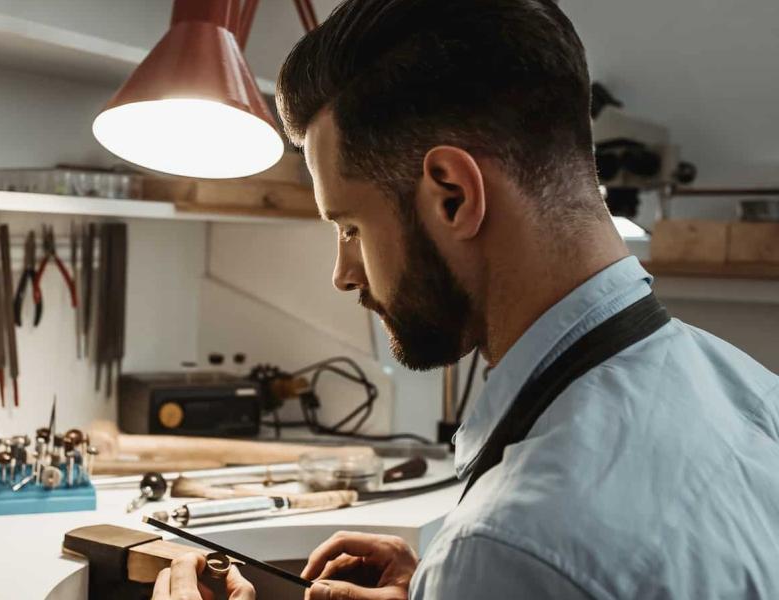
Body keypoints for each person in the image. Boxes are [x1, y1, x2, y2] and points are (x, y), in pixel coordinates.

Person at [152, 0, 779, 598]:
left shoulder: (512, 545)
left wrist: (476, 576)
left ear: (453, 195)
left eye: (350, 228)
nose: (343, 274)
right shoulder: (750, 390)